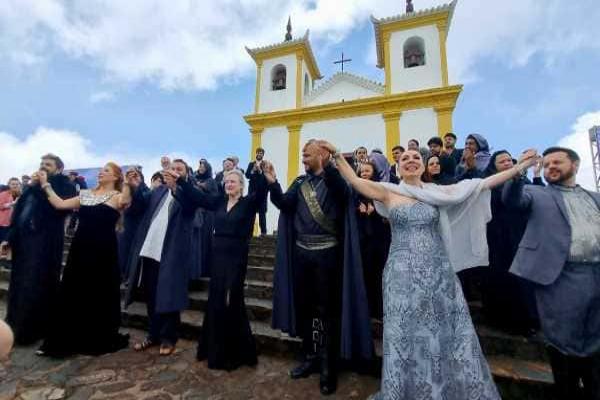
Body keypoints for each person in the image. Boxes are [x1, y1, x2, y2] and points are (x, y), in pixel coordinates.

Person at [321, 140, 539, 400]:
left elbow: (483, 184)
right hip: (400, 275)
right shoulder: (389, 192)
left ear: (423, 165)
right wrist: (337, 154)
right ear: (398, 168)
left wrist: (520, 167)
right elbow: (356, 183)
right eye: (405, 159)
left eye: (416, 157)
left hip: (438, 274)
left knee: (445, 333)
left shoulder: (438, 192)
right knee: (405, 333)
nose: (411, 160)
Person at [267, 140, 373, 396]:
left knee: (327, 313)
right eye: (302, 152)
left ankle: (328, 366)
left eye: (308, 153)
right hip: (302, 254)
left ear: (322, 155)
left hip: (328, 255)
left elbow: (342, 191)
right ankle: (311, 357)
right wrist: (272, 182)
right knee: (306, 310)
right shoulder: (299, 183)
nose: (303, 156)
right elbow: (284, 203)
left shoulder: (335, 181)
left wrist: (335, 157)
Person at [502, 147, 600, 399]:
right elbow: (512, 200)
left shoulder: (594, 197)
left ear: (575, 165)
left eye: (557, 162)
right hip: (560, 277)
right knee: (563, 345)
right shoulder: (535, 193)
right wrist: (518, 170)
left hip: (596, 273)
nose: (551, 167)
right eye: (546, 164)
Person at [36, 163, 131, 357]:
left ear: (115, 177)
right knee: (73, 290)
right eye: (101, 170)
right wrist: (46, 185)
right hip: (80, 249)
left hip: (104, 252)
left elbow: (125, 201)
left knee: (98, 292)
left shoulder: (116, 197)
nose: (101, 173)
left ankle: (94, 337)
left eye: (106, 171)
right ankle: (65, 339)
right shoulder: (85, 194)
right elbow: (59, 204)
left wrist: (128, 184)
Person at [124, 159, 204, 356]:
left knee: (169, 296)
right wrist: (135, 186)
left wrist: (176, 186)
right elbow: (138, 206)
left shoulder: (189, 194)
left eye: (179, 169)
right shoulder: (158, 191)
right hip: (150, 250)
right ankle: (153, 335)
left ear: (186, 174)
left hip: (172, 254)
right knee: (151, 297)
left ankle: (169, 337)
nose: (175, 171)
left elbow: (190, 210)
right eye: (172, 169)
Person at [195, 167, 268, 370]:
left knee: (231, 298)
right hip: (217, 254)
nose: (228, 184)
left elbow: (261, 193)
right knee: (216, 298)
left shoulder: (248, 203)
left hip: (237, 255)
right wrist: (182, 182)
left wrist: (261, 175)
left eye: (233, 181)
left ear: (241, 186)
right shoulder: (218, 201)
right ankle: (213, 350)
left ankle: (235, 351)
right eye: (227, 181)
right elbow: (198, 198)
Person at [1, 154, 76, 345]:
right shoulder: (31, 187)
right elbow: (19, 214)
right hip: (23, 243)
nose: (43, 167)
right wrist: (9, 239)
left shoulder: (63, 184)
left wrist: (43, 185)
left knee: (35, 285)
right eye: (42, 163)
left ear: (58, 168)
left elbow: (59, 209)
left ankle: (30, 331)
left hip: (44, 245)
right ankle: (14, 325)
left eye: (48, 164)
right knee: (19, 286)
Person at [481, 150, 543, 335]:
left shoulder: (524, 182)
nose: (507, 163)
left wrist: (536, 175)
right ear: (494, 166)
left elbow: (539, 198)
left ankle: (531, 319)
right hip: (498, 239)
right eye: (502, 161)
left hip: (521, 235)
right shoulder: (488, 185)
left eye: (509, 160)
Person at [355, 162, 389, 319]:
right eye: (362, 171)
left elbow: (387, 210)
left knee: (379, 275)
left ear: (374, 172)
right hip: (362, 240)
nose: (364, 173)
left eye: (367, 170)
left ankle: (379, 310)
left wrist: (375, 208)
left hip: (379, 239)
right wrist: (358, 207)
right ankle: (366, 310)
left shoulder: (380, 189)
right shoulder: (355, 190)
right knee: (365, 274)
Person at [190, 159, 219, 279]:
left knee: (205, 240)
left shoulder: (211, 181)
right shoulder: (195, 179)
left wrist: (200, 186)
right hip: (197, 213)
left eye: (203, 166)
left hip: (207, 215)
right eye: (200, 166)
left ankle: (205, 269)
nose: (201, 168)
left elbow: (213, 195)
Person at [117, 167, 146, 281]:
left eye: (135, 175)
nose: (132, 177)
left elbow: (141, 205)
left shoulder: (144, 190)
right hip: (122, 225)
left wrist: (136, 185)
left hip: (135, 226)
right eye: (129, 174)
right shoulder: (123, 188)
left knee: (128, 252)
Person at [246, 148, 268, 235]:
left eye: (261, 153)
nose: (260, 154)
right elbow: (247, 175)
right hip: (252, 192)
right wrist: (253, 170)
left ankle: (263, 233)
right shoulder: (251, 164)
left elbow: (267, 176)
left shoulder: (265, 164)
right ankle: (249, 232)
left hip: (262, 192)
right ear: (256, 154)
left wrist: (260, 171)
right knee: (251, 212)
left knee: (262, 213)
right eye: (259, 153)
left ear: (263, 155)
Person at [0, 178, 21, 244]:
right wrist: (12, 203)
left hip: (16, 225)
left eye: (17, 184)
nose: (15, 186)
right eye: (13, 184)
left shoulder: (22, 195)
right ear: (9, 185)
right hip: (4, 224)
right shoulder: (3, 194)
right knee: (3, 244)